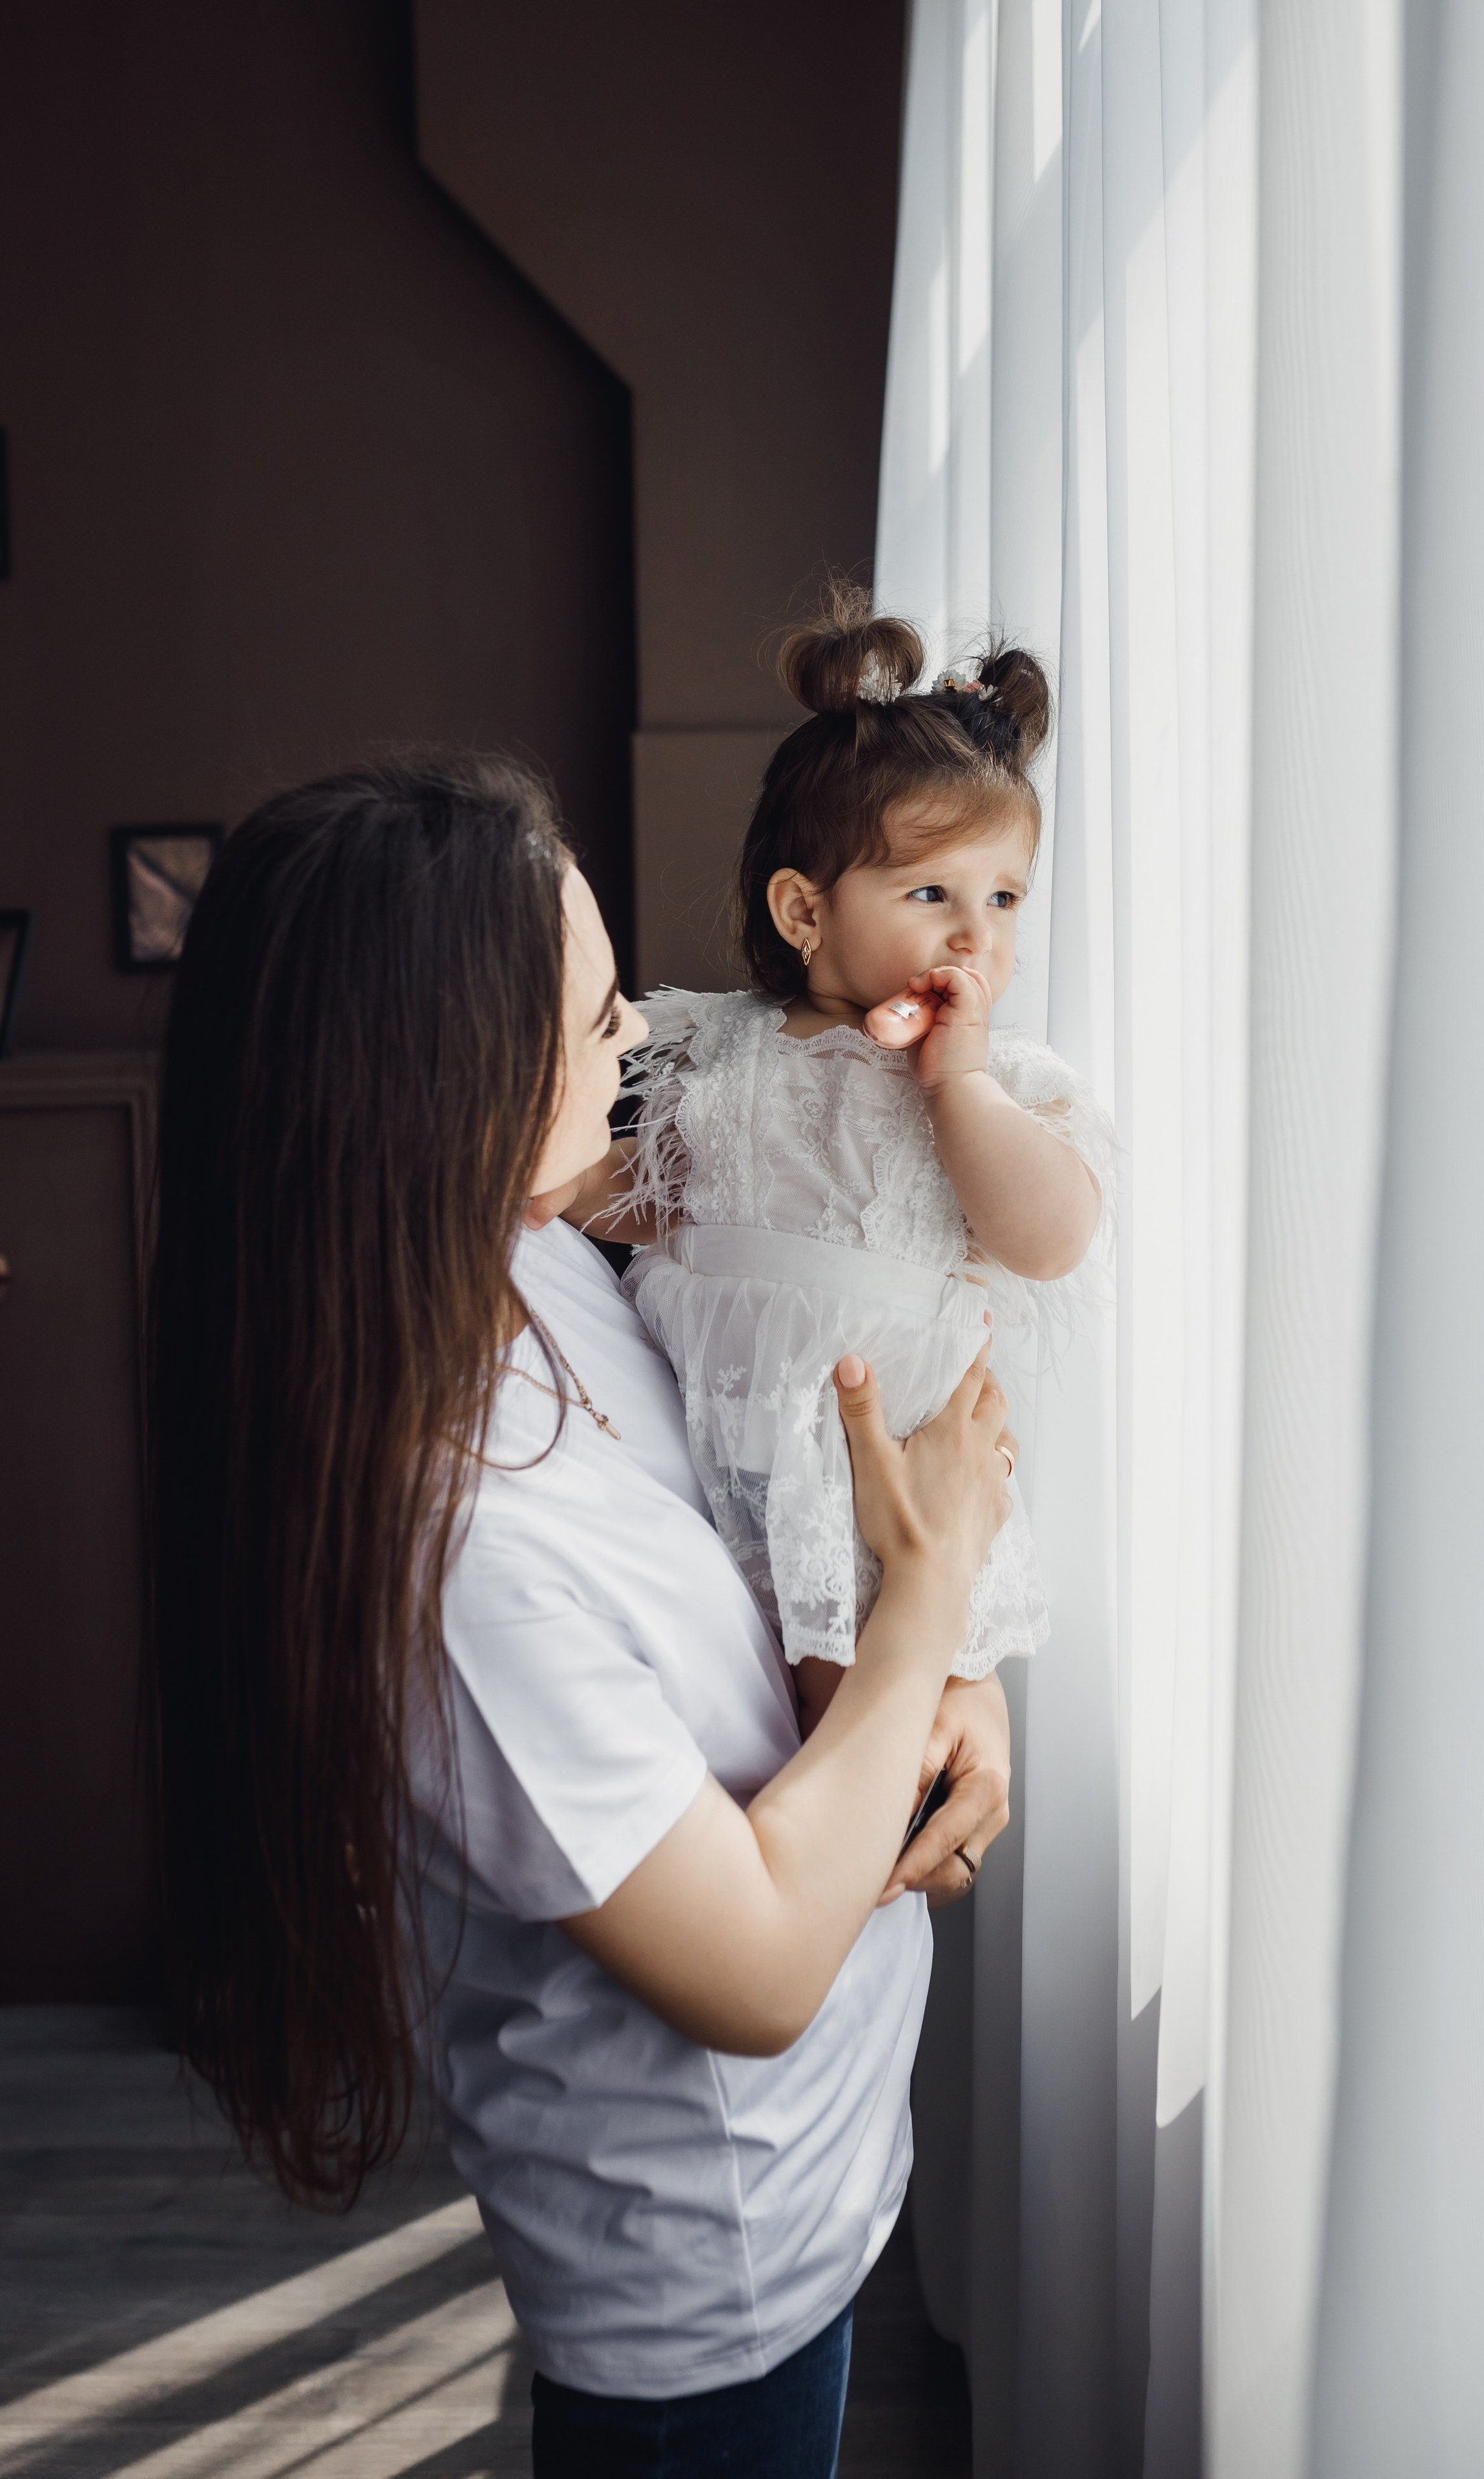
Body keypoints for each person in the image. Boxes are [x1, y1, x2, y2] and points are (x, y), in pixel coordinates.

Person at [147, 752, 1018, 2478]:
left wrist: (943, 1687)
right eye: (602, 1016)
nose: (636, 1048)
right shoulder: (453, 1554)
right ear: (446, 1085)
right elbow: (759, 1968)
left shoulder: (529, 1254)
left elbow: (740, 1552)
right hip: (709, 2272)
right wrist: (925, 1614)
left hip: (812, 2187)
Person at [562, 590, 1112, 1735]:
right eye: (932, 894)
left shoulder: (992, 1083)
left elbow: (1051, 1238)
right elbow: (649, 1194)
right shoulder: (727, 1049)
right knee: (733, 1713)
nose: (979, 935)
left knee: (867, 1721)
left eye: (1004, 897)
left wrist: (957, 1083)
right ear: (805, 913)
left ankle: (857, 1870)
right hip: (728, 1448)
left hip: (890, 1475)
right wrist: (542, 1189)